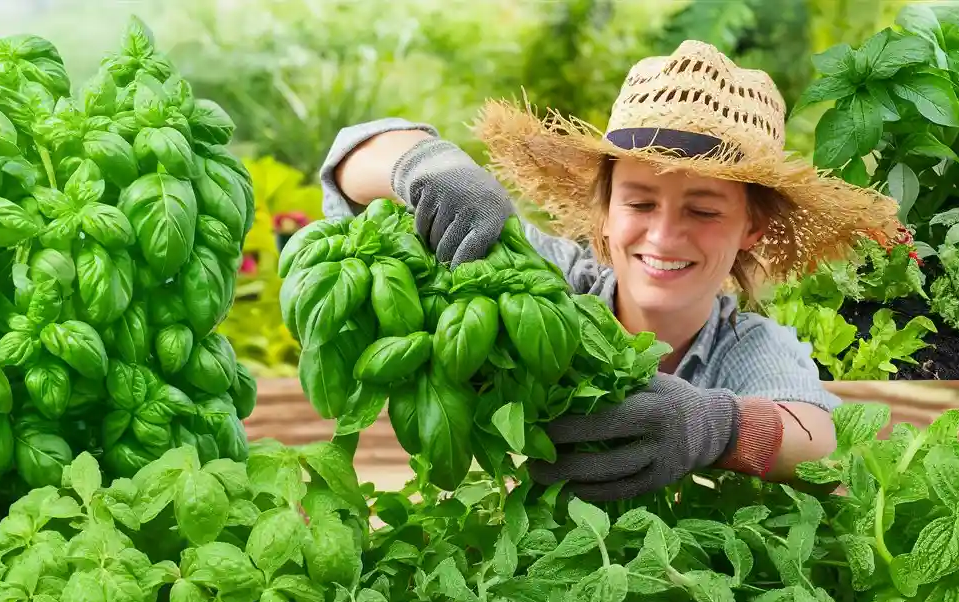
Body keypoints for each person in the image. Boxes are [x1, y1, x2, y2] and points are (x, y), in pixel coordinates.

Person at [314, 40, 901, 501]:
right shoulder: (545, 287)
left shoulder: (744, 347)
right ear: (604, 212)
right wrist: (425, 161)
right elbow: (353, 166)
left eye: (702, 210)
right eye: (640, 203)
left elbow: (826, 441)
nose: (664, 236)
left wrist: (718, 429)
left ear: (752, 229)